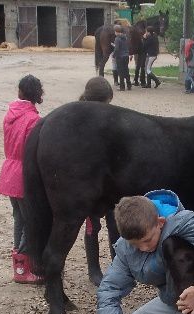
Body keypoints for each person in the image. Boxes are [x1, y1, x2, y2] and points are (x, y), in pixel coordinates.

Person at [0, 75, 44, 284]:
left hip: (8, 171)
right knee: (30, 221)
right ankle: (23, 269)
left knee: (19, 218)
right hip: (23, 174)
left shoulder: (11, 114)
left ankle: (20, 265)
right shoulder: (33, 120)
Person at [79, 76, 115, 286]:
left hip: (111, 184)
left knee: (115, 225)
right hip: (91, 186)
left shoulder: (110, 119)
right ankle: (93, 269)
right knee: (92, 226)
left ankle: (118, 264)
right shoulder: (82, 121)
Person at [112, 25, 131, 91]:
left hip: (120, 57)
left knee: (120, 72)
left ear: (116, 31)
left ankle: (122, 87)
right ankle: (129, 85)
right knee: (126, 70)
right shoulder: (125, 37)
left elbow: (117, 49)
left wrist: (113, 56)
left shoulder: (117, 38)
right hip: (126, 56)